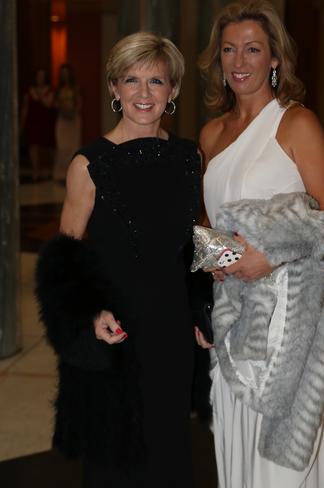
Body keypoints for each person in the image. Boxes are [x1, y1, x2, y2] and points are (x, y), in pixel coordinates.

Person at [36, 32, 201, 487]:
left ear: (174, 91)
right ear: (113, 88)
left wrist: (201, 308)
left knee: (169, 448)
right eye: (131, 80)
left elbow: (191, 244)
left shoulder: (188, 158)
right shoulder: (89, 164)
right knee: (116, 460)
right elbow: (63, 260)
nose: (143, 94)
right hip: (116, 330)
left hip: (171, 329)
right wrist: (89, 314)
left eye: (156, 81)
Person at [195, 1, 324, 487]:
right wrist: (218, 260)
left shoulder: (296, 122)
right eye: (229, 50)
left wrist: (269, 255)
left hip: (287, 317)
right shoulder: (211, 133)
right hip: (232, 315)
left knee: (283, 458)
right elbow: (207, 222)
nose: (239, 62)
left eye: (253, 50)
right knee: (236, 444)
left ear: (274, 58)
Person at [20, 67, 55, 181]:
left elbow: (48, 104)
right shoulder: (29, 91)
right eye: (38, 76)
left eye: (42, 76)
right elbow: (25, 108)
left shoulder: (50, 90)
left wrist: (40, 95)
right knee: (33, 146)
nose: (40, 78)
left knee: (49, 147)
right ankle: (35, 171)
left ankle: (50, 170)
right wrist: (22, 123)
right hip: (33, 122)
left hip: (46, 121)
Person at [53, 63, 82, 183]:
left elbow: (80, 103)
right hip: (62, 120)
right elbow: (54, 103)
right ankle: (61, 175)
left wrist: (72, 110)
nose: (65, 76)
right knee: (62, 147)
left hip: (73, 119)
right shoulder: (58, 89)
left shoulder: (76, 88)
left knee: (73, 147)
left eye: (66, 74)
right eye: (62, 74)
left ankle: (72, 174)